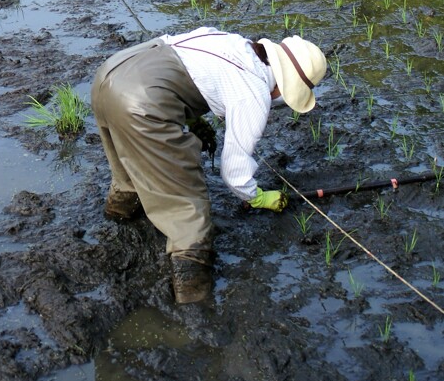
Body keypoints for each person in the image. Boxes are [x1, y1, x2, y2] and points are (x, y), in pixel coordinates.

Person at [91, 28, 327, 305]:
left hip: (109, 75)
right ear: (284, 89)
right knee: (188, 208)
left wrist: (191, 120)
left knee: (131, 168)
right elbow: (234, 173)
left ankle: (118, 218)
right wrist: (258, 197)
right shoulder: (254, 92)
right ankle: (194, 299)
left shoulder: (235, 42)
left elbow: (182, 73)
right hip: (142, 103)